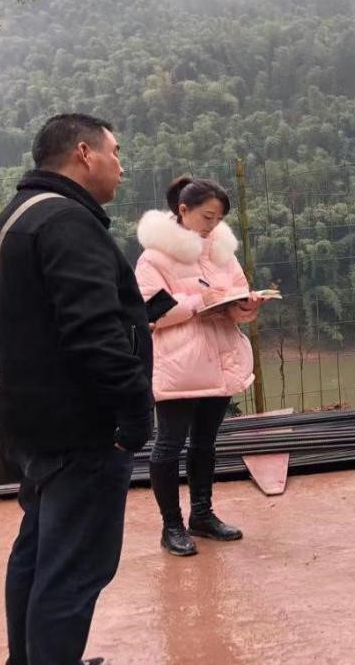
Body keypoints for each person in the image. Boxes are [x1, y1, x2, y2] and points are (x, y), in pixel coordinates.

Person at [0, 112, 154, 665]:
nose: (121, 166)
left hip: (32, 424)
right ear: (84, 153)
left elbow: (43, 322)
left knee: (37, 554)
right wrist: (135, 413)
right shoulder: (68, 223)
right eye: (115, 152)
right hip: (82, 429)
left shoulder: (16, 218)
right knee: (74, 571)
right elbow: (94, 333)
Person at [136, 177, 263, 556]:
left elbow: (236, 292)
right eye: (207, 216)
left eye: (218, 218)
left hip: (220, 360)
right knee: (169, 445)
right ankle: (171, 526)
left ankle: (202, 515)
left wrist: (245, 306)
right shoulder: (154, 258)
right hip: (179, 366)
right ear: (183, 210)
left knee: (205, 443)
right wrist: (197, 301)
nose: (213, 225)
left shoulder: (222, 251)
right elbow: (149, 312)